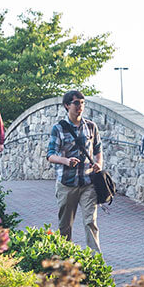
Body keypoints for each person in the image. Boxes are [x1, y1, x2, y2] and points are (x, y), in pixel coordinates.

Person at [45, 90, 103, 252]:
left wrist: (99, 163)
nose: (80, 106)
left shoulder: (91, 126)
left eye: (82, 103)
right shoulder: (58, 128)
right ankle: (66, 258)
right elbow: (50, 155)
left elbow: (98, 149)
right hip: (67, 183)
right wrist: (65, 161)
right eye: (76, 103)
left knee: (90, 222)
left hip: (88, 183)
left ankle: (95, 259)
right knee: (65, 226)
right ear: (67, 105)